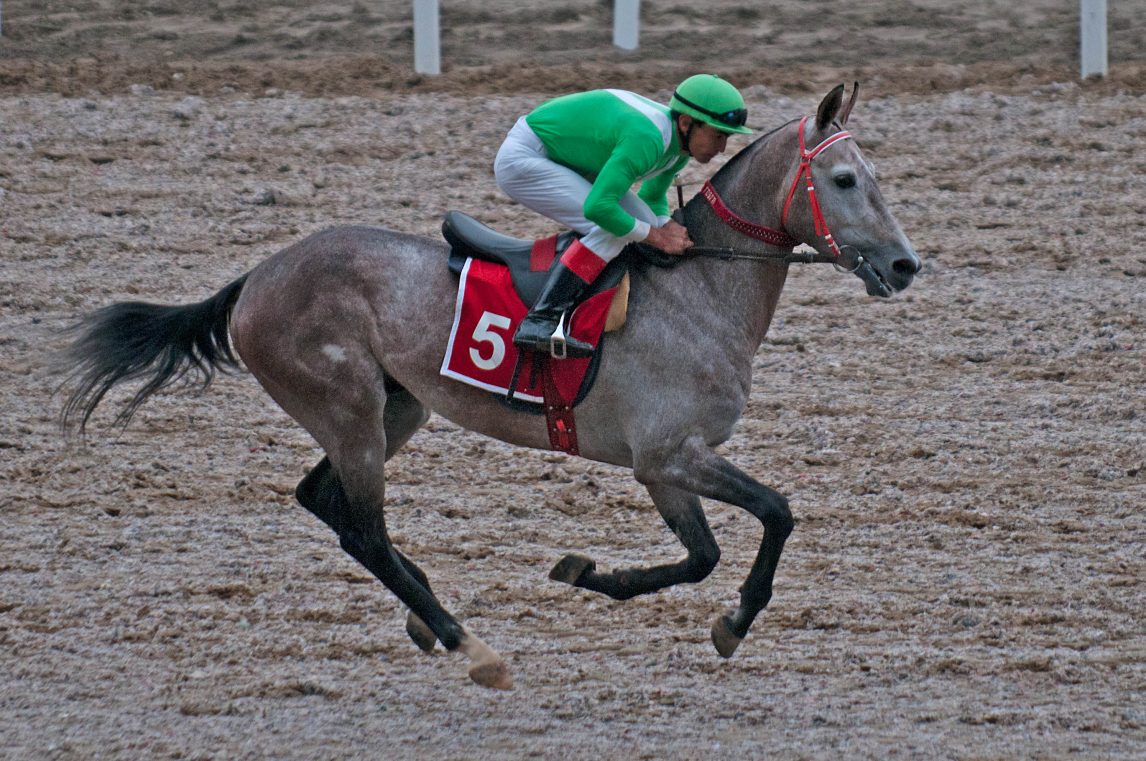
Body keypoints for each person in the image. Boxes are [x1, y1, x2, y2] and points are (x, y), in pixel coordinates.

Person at [493, 74, 752, 358]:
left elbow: (652, 199)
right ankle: (540, 321)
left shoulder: (679, 148)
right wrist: (657, 237)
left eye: (726, 137)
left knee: (643, 226)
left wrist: (665, 226)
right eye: (718, 135)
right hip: (525, 159)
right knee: (616, 228)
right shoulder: (648, 137)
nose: (723, 148)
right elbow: (599, 208)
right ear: (687, 123)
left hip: (568, 160)